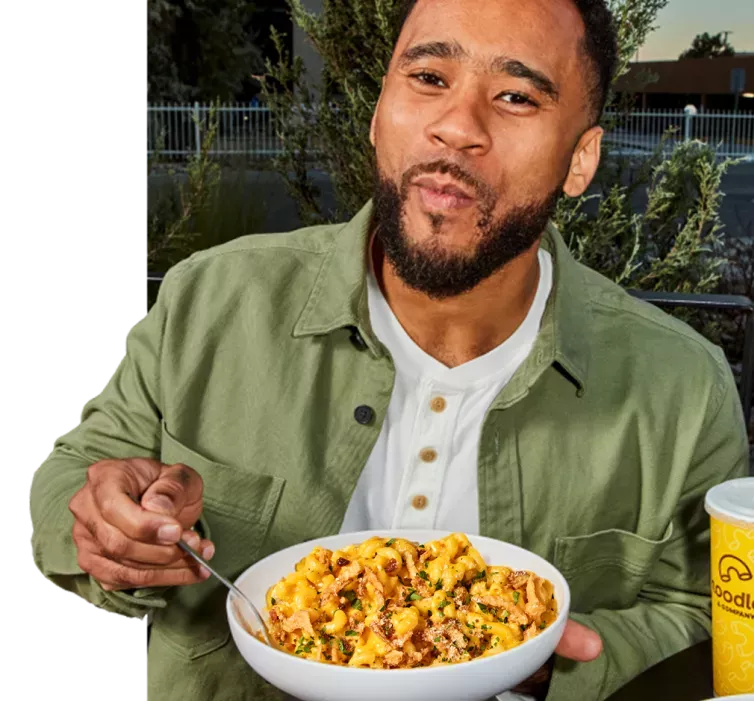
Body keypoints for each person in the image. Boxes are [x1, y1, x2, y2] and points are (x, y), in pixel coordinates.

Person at [29, 0, 749, 700]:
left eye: (516, 96)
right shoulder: (208, 301)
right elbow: (68, 481)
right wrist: (109, 526)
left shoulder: (684, 388)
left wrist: (538, 661)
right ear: (378, 114)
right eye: (429, 78)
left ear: (580, 159)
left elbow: (704, 610)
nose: (456, 126)